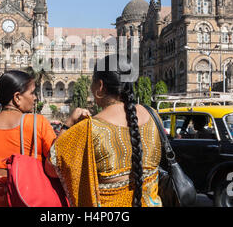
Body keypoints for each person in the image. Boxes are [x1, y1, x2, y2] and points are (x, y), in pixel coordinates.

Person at [48, 54, 162, 207]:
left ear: (100, 86)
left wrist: (68, 125)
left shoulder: (89, 129)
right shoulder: (154, 116)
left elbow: (52, 168)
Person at [0, 70, 86, 207]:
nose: (35, 97)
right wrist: (67, 126)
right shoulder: (37, 123)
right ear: (17, 97)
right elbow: (54, 168)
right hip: (27, 198)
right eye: (32, 93)